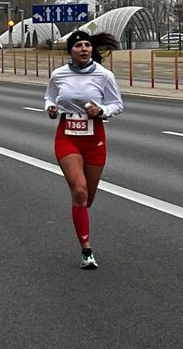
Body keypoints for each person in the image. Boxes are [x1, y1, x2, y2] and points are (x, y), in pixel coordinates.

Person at [44, 30, 124, 269]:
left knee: (87, 197)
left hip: (94, 137)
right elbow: (49, 97)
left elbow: (117, 104)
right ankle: (86, 250)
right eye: (78, 45)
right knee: (79, 190)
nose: (84, 49)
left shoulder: (104, 75)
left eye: (87, 45)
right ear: (71, 50)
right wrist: (50, 108)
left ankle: (81, 216)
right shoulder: (59, 75)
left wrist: (101, 111)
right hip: (67, 135)